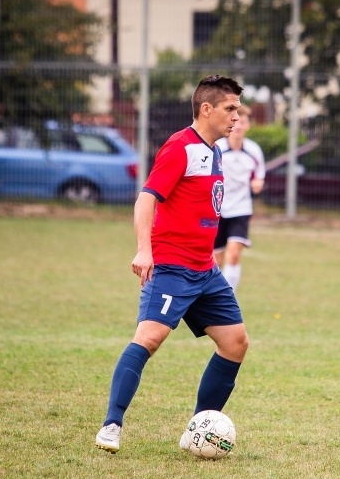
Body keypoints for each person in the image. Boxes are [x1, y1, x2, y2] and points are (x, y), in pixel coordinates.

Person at [95, 75, 250, 454]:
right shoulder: (180, 147)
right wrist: (144, 250)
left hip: (204, 270)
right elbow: (146, 200)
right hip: (172, 268)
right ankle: (111, 425)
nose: (237, 116)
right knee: (149, 338)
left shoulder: (213, 150)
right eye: (231, 108)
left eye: (238, 109)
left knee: (235, 343)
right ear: (207, 109)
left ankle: (198, 428)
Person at [214, 104, 266, 292]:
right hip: (217, 210)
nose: (238, 126)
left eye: (242, 122)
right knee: (215, 261)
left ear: (247, 126)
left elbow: (259, 176)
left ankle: (227, 298)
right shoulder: (217, 148)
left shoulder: (254, 150)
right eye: (234, 121)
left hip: (241, 209)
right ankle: (211, 298)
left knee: (234, 255)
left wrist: (258, 183)